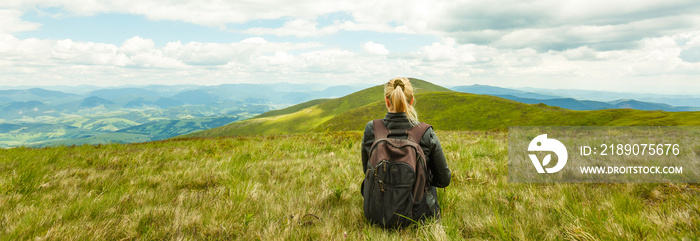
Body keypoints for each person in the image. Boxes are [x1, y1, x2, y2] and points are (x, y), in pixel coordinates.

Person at [361, 77, 451, 222]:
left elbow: (367, 170)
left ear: (386, 100)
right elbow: (444, 179)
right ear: (411, 101)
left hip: (377, 214)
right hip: (418, 215)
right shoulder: (425, 133)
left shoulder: (372, 129)